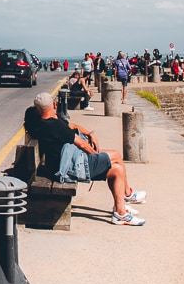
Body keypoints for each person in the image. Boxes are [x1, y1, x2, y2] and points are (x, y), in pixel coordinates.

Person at [24, 92, 145, 226]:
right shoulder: (54, 126)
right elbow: (81, 143)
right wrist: (95, 156)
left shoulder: (46, 122)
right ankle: (123, 205)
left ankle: (121, 206)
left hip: (65, 163)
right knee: (116, 161)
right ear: (53, 104)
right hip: (71, 167)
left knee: (116, 168)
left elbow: (73, 126)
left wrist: (89, 134)